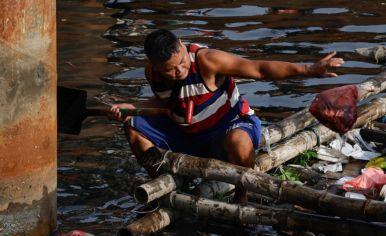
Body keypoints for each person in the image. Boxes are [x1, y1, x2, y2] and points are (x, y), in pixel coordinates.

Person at [109, 29, 344, 202]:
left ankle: (241, 195)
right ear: (154, 65)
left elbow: (259, 69)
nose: (179, 71)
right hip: (188, 133)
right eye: (170, 69)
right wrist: (132, 107)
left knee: (238, 142)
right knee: (133, 126)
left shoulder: (207, 60)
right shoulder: (153, 72)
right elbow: (164, 102)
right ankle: (163, 185)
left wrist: (309, 69)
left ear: (181, 45)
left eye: (181, 62)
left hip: (228, 127)